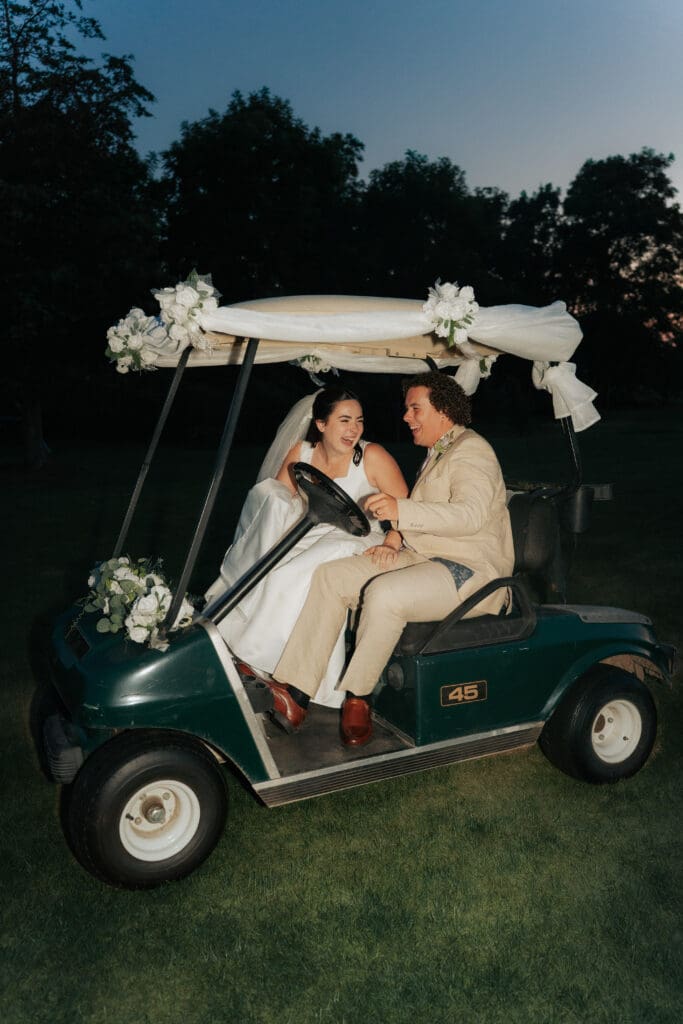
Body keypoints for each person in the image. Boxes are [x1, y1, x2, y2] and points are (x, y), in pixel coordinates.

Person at [268, 372, 514, 745]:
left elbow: (470, 515)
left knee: (386, 594)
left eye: (415, 408)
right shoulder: (440, 450)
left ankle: (359, 698)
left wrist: (401, 510)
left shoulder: (472, 451)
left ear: (444, 410)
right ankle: (298, 692)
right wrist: (394, 541)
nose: (406, 417)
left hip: (471, 572)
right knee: (331, 577)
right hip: (428, 557)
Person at [206, 386, 408, 707]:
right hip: (312, 529)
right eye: (344, 420)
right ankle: (253, 658)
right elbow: (279, 498)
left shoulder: (372, 456)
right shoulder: (302, 453)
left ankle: (279, 669)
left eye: (358, 420)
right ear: (321, 424)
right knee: (272, 568)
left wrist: (393, 542)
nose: (354, 429)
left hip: (355, 537)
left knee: (301, 571)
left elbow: (403, 507)